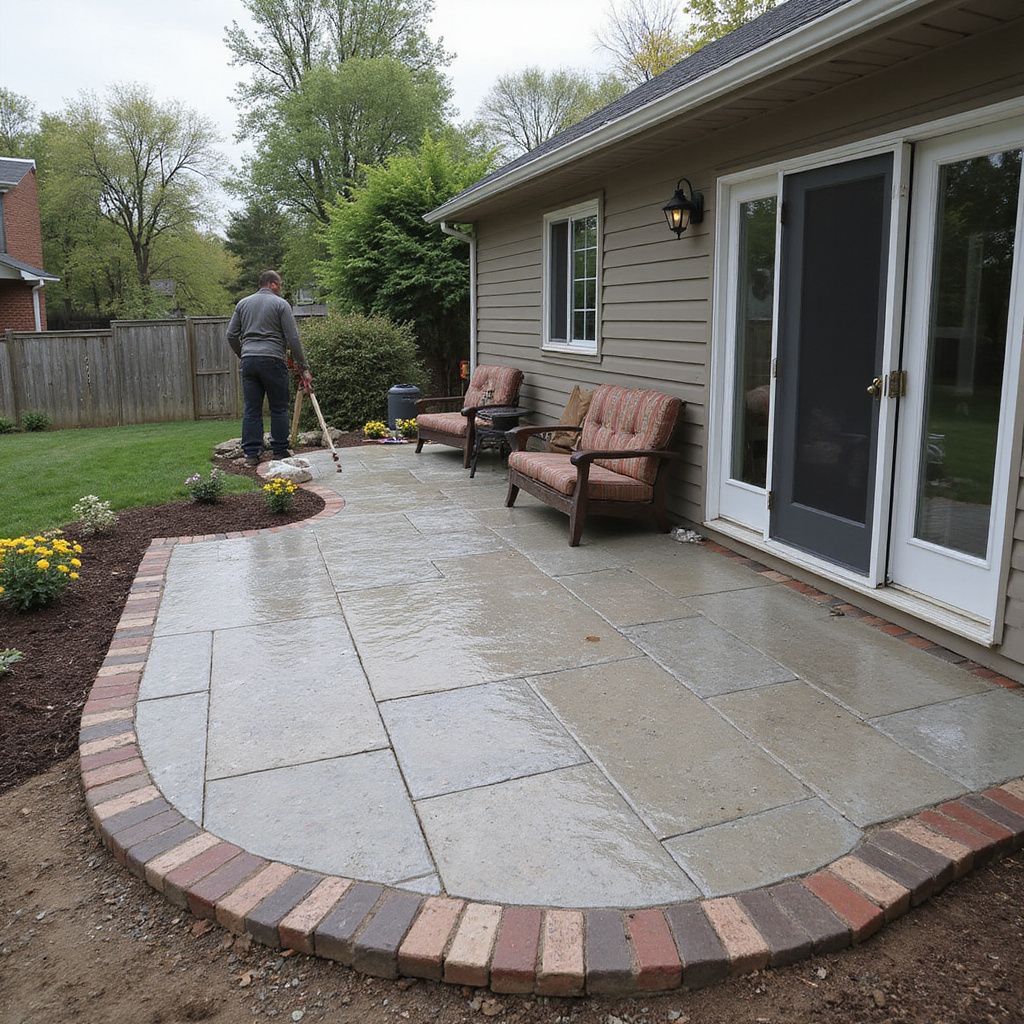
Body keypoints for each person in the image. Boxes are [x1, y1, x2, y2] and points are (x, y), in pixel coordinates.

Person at [226, 270, 313, 467]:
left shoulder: (243, 304)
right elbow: (292, 338)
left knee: (251, 408)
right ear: (273, 284)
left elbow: (231, 335)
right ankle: (280, 452)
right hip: (273, 359)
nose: (280, 289)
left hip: (249, 361)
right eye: (279, 285)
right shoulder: (280, 304)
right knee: (279, 407)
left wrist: (244, 354)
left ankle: (251, 454)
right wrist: (304, 366)